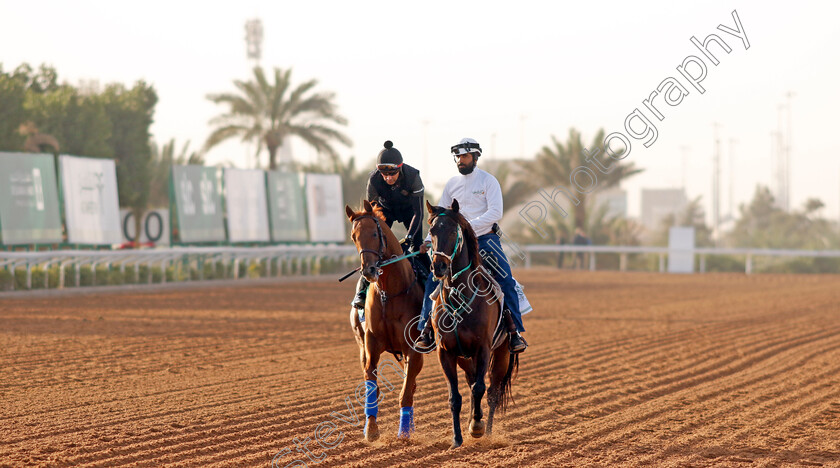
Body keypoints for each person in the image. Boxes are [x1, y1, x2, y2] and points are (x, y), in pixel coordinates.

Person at [417, 137, 527, 353]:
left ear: (475, 157)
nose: (460, 160)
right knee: (433, 278)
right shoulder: (451, 184)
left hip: (485, 239)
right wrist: (429, 241)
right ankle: (425, 330)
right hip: (453, 242)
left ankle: (515, 332)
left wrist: (467, 228)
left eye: (465, 156)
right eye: (458, 156)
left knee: (506, 279)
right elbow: (440, 216)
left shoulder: (488, 181)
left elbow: (495, 213)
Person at [351, 140, 428, 310]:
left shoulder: (413, 177)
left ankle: (432, 285)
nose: (387, 178)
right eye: (384, 174)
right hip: (386, 212)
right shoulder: (373, 181)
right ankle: (362, 291)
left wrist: (409, 238)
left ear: (400, 169)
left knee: (417, 247)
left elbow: (418, 213)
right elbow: (373, 214)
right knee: (375, 249)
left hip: (410, 212)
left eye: (392, 174)